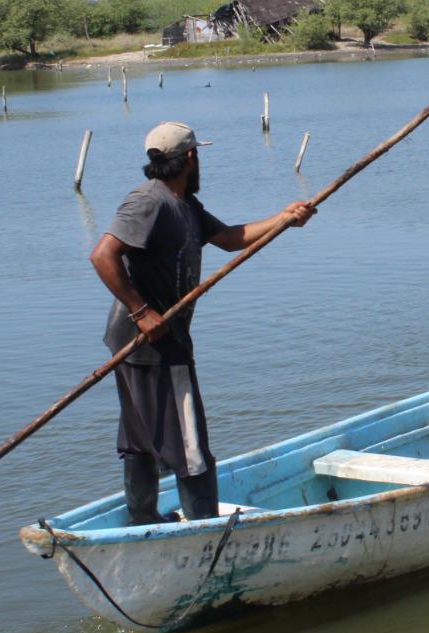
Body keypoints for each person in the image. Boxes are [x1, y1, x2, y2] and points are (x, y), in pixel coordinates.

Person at [90, 122, 314, 525]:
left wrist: (284, 219)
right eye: (199, 155)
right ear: (190, 158)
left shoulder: (184, 205)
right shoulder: (148, 202)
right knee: (189, 445)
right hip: (151, 343)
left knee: (142, 436)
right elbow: (103, 255)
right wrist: (143, 313)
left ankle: (142, 521)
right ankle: (205, 531)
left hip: (150, 341)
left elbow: (230, 237)